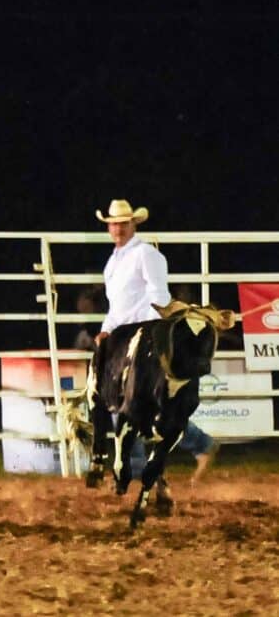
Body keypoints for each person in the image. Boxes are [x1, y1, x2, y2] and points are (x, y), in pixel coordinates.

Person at [94, 198, 218, 482]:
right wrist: (106, 329)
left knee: (135, 403)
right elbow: (116, 306)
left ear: (133, 224)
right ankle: (198, 446)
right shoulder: (114, 261)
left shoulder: (146, 254)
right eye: (114, 224)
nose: (118, 229)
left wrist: (150, 333)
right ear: (109, 227)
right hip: (124, 337)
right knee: (133, 403)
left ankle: (140, 467)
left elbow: (159, 295)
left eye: (123, 223)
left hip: (142, 337)